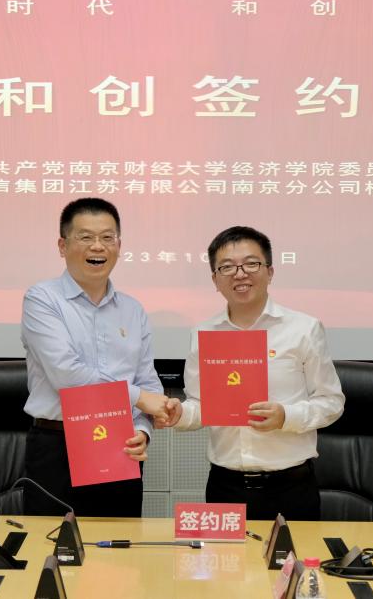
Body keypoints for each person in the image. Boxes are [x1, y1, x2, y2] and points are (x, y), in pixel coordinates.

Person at [160, 226, 345, 521]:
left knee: (293, 554)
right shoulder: (204, 333)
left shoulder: (303, 329)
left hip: (291, 487)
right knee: (224, 556)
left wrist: (286, 416)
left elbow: (331, 402)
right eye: (227, 267)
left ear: (270, 271)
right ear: (215, 279)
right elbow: (201, 405)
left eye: (251, 264)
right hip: (225, 486)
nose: (240, 274)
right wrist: (178, 413)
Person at [21, 197, 174, 517]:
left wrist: (143, 431)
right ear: (62, 246)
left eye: (107, 237)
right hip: (57, 448)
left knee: (120, 545)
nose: (98, 246)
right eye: (85, 237)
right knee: (52, 543)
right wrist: (139, 398)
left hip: (121, 447)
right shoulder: (42, 299)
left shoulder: (132, 309)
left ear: (119, 245)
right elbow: (67, 374)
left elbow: (148, 380)